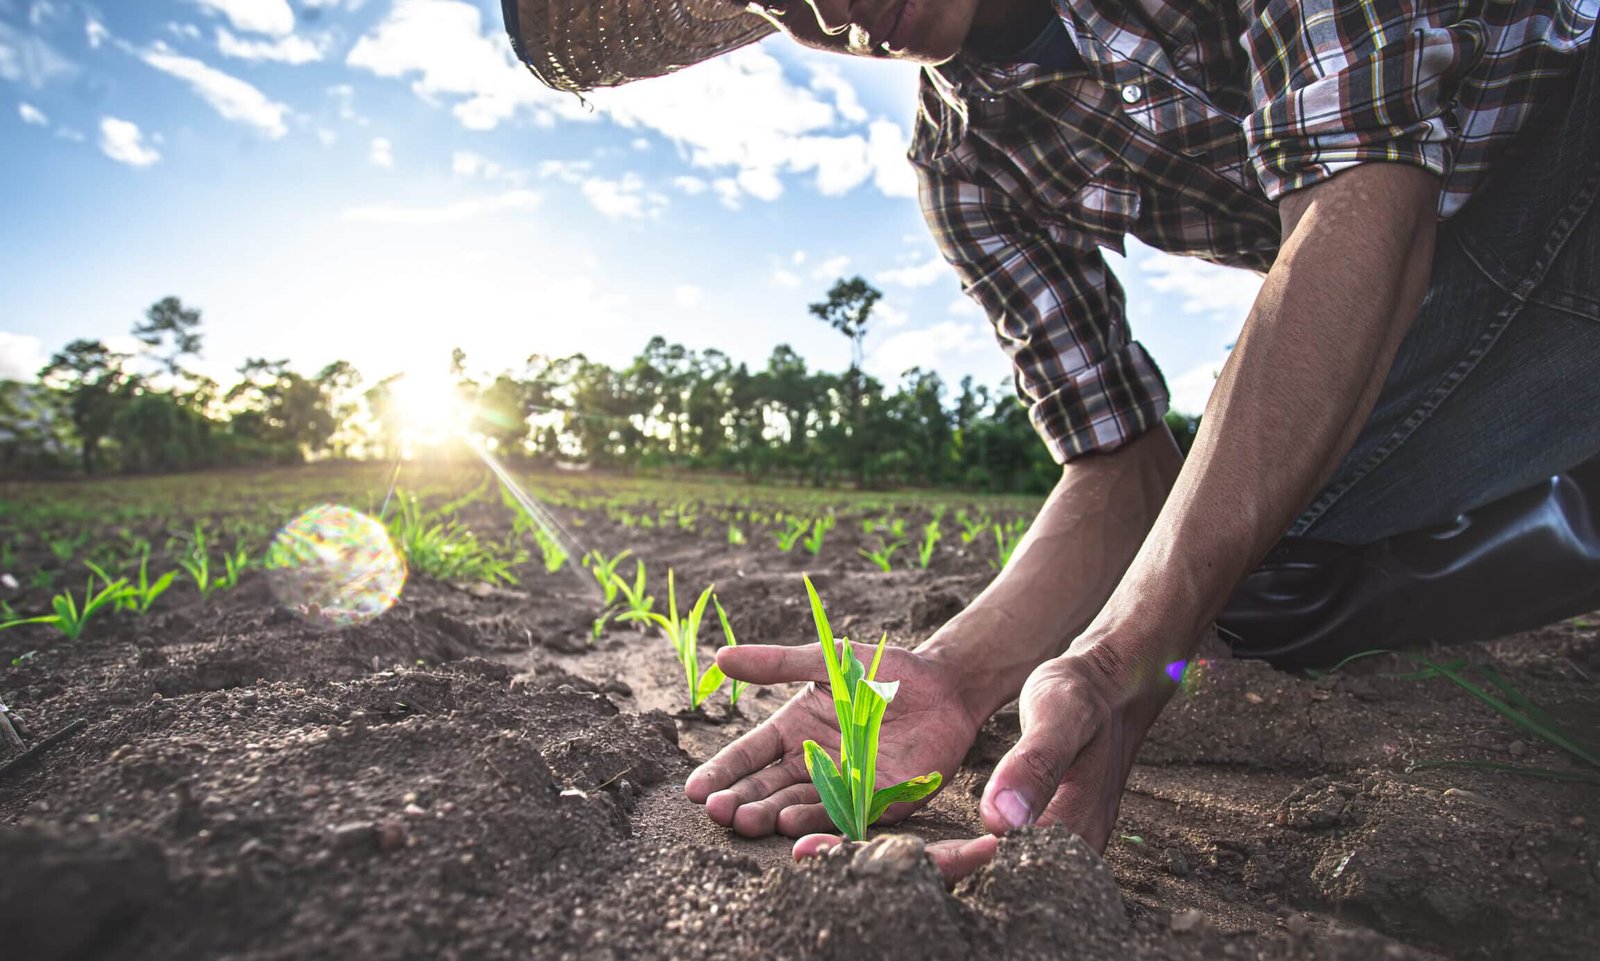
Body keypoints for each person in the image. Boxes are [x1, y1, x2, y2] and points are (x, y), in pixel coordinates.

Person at [503, 0, 1599, 880]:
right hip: (1474, 311)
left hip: (1561, 155)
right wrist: (955, 672)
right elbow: (1117, 460)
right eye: (775, 4)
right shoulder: (965, 167)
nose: (828, 10)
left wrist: (1129, 649)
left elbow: (1366, 197)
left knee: (1208, 551)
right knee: (1250, 562)